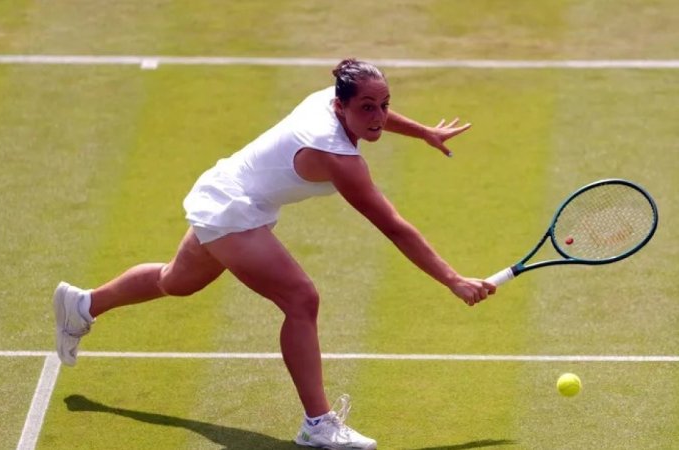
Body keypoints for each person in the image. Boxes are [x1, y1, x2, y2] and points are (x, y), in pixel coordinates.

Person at [53, 58, 496, 450]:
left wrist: (423, 132)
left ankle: (83, 305)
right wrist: (452, 279)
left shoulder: (330, 98)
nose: (378, 116)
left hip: (228, 187)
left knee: (177, 281)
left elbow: (374, 115)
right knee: (301, 299)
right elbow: (394, 227)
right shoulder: (339, 158)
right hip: (233, 205)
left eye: (384, 104)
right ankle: (318, 424)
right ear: (341, 106)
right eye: (367, 108)